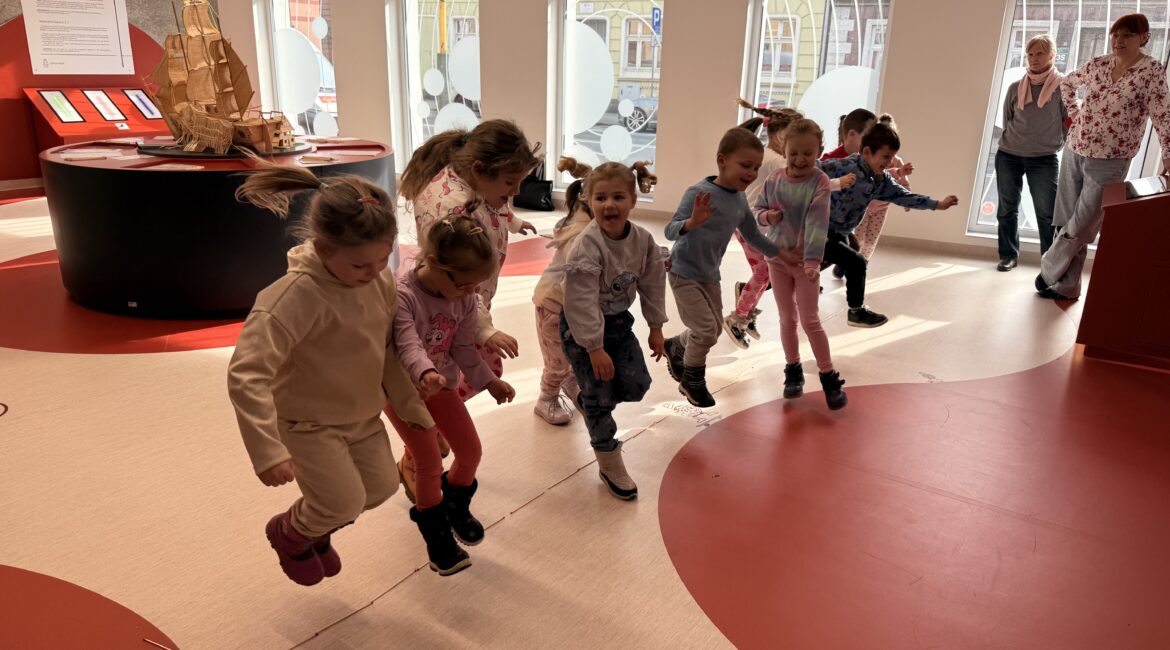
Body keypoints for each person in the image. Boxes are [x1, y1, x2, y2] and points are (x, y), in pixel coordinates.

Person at [227, 165, 434, 587]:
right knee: (341, 502)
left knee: (381, 489)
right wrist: (266, 451)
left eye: (383, 259)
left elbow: (386, 350)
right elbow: (246, 373)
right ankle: (292, 531)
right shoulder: (292, 297)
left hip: (361, 415)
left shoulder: (378, 282)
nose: (375, 272)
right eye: (360, 264)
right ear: (323, 249)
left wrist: (413, 410)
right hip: (308, 422)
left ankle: (315, 527)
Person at [395, 119, 540, 494]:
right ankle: (416, 451)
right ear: (478, 171)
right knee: (439, 380)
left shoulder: (477, 188)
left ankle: (435, 430)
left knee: (465, 373)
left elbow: (497, 209)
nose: (516, 191)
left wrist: (515, 221)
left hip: (464, 302)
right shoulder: (452, 209)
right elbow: (452, 277)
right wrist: (484, 327)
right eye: (510, 182)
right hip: (445, 309)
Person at [385, 215, 516, 576]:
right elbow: (408, 344)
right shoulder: (403, 295)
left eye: (477, 285)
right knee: (428, 461)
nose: (471, 292)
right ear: (433, 264)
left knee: (470, 451)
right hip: (402, 390)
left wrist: (489, 381)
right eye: (464, 283)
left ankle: (455, 506)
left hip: (439, 384)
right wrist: (425, 372)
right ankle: (436, 536)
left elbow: (463, 347)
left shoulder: (465, 298)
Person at [1037, 13, 1170, 300]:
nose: (1118, 40)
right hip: (1075, 148)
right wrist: (1075, 115)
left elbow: (1163, 115)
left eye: (1127, 35)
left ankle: (1048, 269)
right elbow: (1067, 84)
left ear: (1144, 37)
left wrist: (1168, 154)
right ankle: (1066, 287)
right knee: (1067, 217)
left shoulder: (1151, 72)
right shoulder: (1099, 64)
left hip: (1112, 158)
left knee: (1084, 221)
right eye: (1115, 35)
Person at [560, 161, 666, 500]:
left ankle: (585, 395)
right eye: (601, 198)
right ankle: (609, 460)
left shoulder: (643, 240)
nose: (609, 205)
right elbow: (580, 302)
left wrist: (656, 327)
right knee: (600, 400)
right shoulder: (587, 246)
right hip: (582, 328)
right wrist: (593, 348)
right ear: (589, 201)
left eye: (618, 197)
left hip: (618, 322)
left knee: (637, 384)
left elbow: (653, 283)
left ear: (633, 200)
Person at [723, 100, 856, 349]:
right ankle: (737, 318)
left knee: (766, 271)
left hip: (750, 223)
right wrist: (838, 183)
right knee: (765, 272)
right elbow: (810, 181)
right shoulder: (776, 162)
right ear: (781, 137)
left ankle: (745, 299)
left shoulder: (768, 154)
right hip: (751, 225)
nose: (800, 155)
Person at [663, 127, 780, 407]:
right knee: (705, 330)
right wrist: (692, 222)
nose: (752, 173)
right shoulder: (698, 193)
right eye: (745, 165)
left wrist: (781, 254)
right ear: (722, 160)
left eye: (756, 168)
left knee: (713, 329)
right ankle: (692, 380)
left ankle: (676, 345)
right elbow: (669, 230)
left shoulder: (739, 199)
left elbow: (753, 236)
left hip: (709, 275)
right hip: (683, 271)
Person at [819, 122, 960, 327]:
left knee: (844, 259)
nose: (889, 162)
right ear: (867, 152)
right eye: (885, 156)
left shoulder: (880, 180)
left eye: (892, 157)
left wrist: (938, 204)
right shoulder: (843, 167)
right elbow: (813, 169)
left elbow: (905, 196)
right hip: (819, 230)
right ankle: (856, 312)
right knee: (857, 262)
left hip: (841, 232)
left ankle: (784, 280)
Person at [752, 118, 847, 409]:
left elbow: (818, 224)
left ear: (819, 151)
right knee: (787, 318)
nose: (800, 159)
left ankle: (828, 376)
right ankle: (792, 370)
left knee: (810, 319)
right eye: (794, 152)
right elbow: (758, 211)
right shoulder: (774, 180)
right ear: (784, 150)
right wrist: (768, 217)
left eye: (808, 152)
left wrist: (811, 262)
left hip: (805, 263)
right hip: (778, 260)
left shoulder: (819, 182)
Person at [529, 156, 595, 425]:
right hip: (555, 306)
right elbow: (581, 271)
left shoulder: (595, 228)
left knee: (574, 353)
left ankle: (569, 380)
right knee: (556, 361)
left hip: (575, 309)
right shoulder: (581, 234)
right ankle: (546, 399)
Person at [995, 34, 1068, 272]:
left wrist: (1055, 145)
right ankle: (1008, 255)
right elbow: (1007, 120)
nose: (1034, 58)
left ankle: (1050, 264)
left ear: (1052, 55)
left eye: (1039, 53)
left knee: (1047, 214)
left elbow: (1068, 122)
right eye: (1030, 54)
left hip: (1044, 159)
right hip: (1008, 155)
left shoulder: (1063, 87)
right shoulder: (1015, 87)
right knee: (1007, 209)